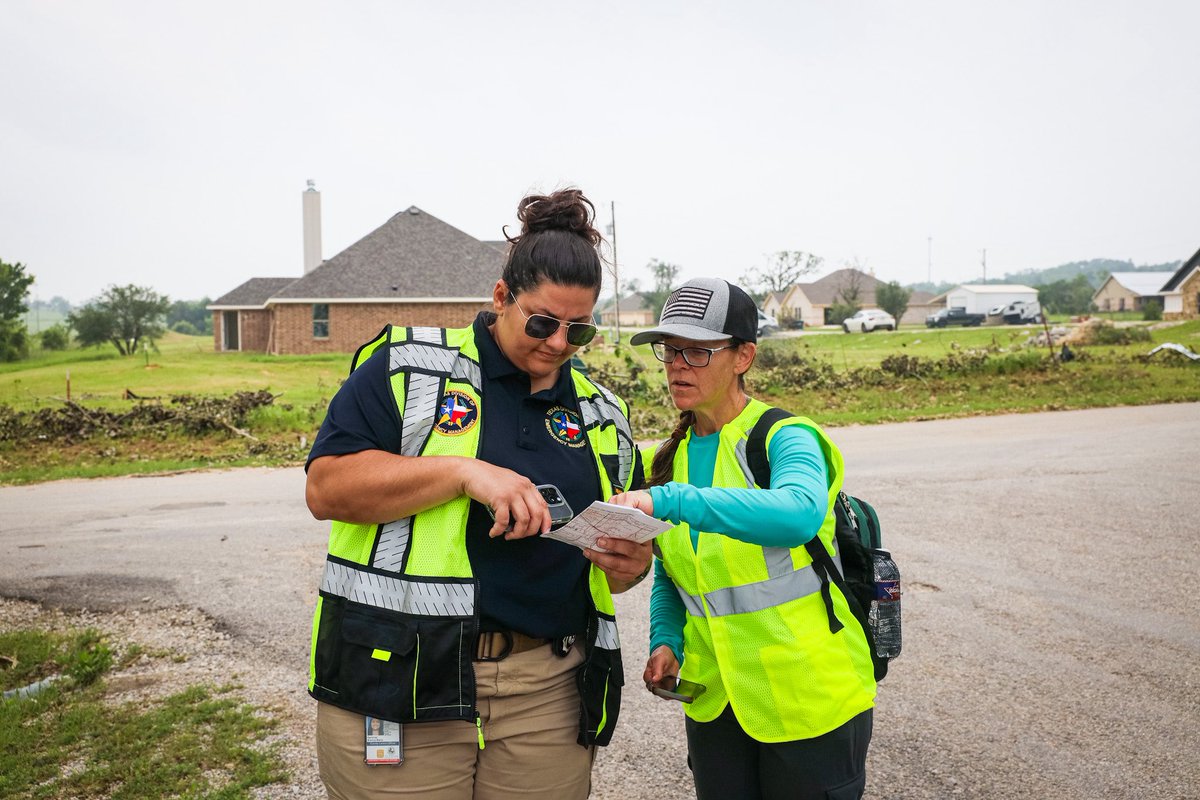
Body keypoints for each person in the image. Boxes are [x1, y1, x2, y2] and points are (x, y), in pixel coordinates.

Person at [304, 188, 652, 799]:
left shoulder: (604, 412)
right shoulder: (408, 368)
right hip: (401, 674)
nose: (557, 343)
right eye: (542, 322)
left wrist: (630, 565)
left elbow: (618, 568)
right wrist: (464, 473)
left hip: (545, 690)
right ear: (500, 297)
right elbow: (327, 488)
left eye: (580, 330)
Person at [608, 277, 877, 799]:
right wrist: (667, 640)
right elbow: (673, 568)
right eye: (670, 350)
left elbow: (799, 513)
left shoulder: (784, 436)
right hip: (718, 702)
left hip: (809, 700)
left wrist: (669, 499)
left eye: (699, 352)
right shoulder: (673, 457)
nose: (677, 365)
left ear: (743, 356)